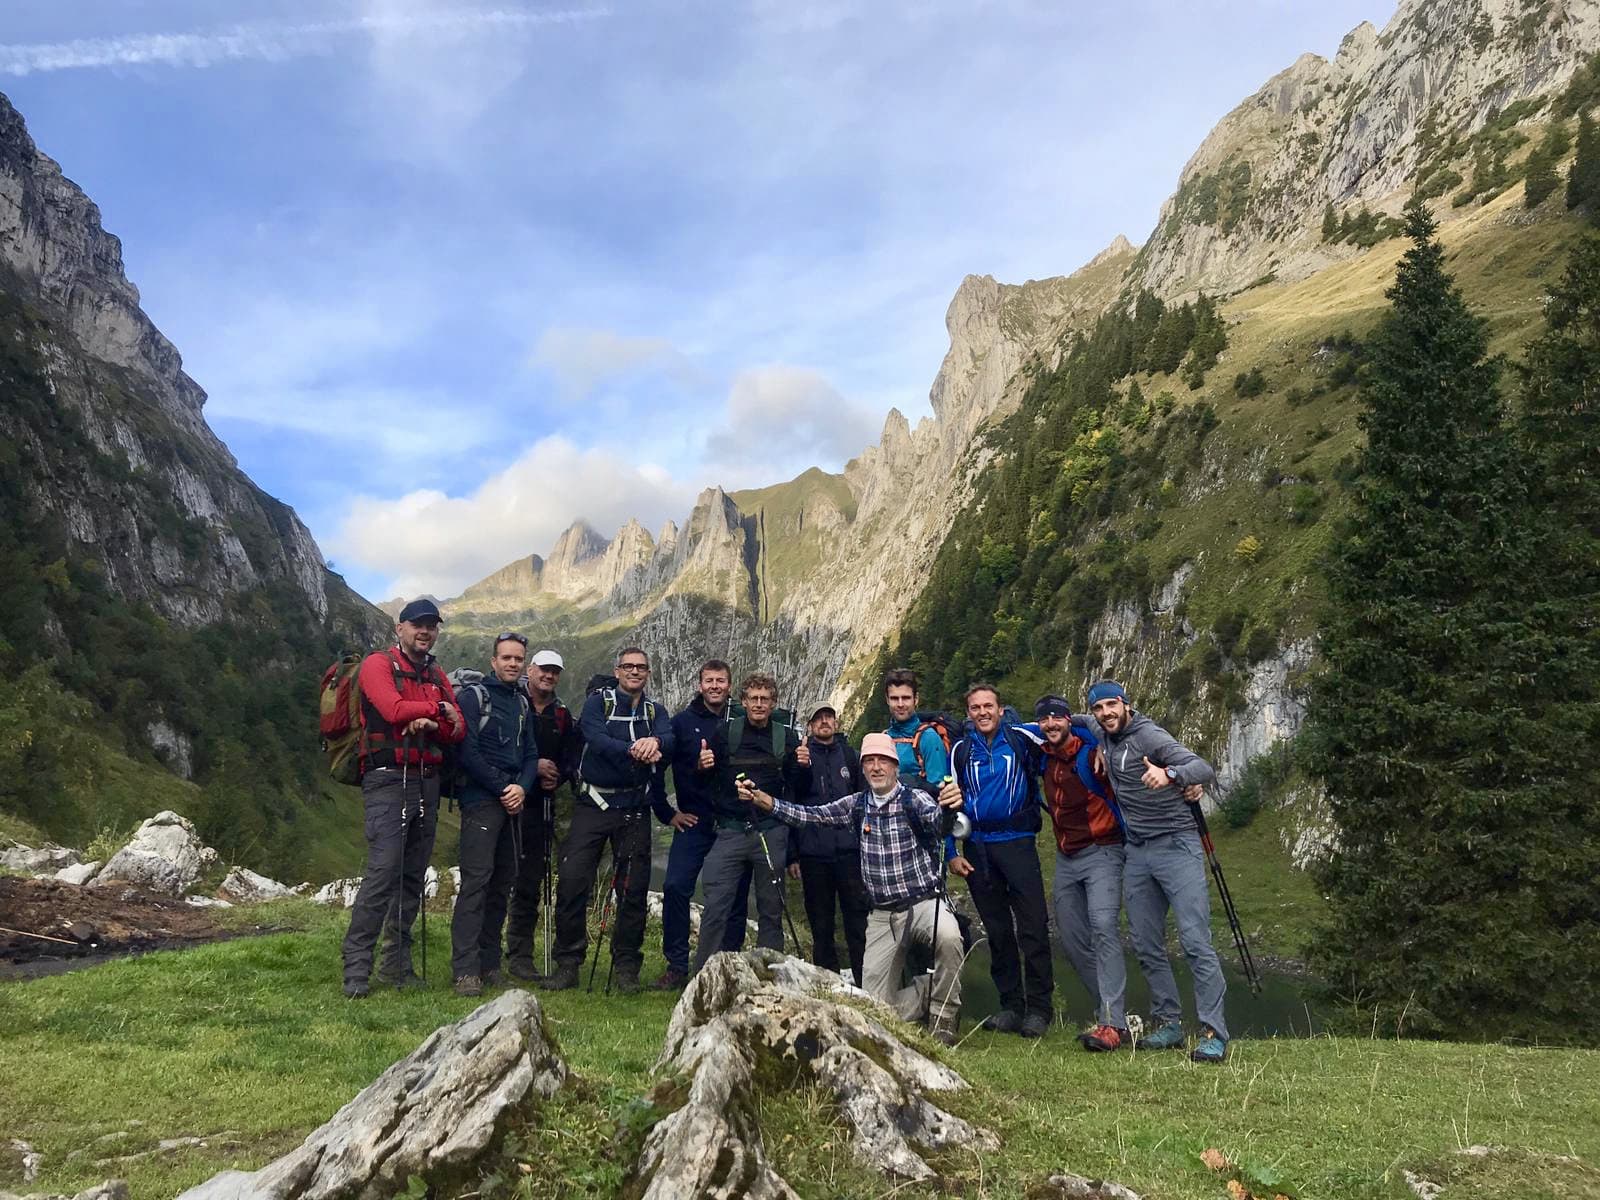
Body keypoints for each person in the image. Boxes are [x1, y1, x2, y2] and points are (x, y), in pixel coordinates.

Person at [744, 732, 967, 1045]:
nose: (876, 768)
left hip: (923, 904)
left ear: (894, 766)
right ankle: (927, 992)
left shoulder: (914, 799)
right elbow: (812, 816)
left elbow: (937, 823)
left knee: (949, 938)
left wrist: (949, 808)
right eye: (870, 762)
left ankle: (943, 1023)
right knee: (871, 1013)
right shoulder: (856, 805)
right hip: (882, 914)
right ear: (863, 768)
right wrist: (765, 801)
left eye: (883, 761)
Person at [1087, 678, 1227, 1063]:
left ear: (1126, 705)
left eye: (1112, 706)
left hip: (1177, 844)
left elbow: (1203, 767)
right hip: (1138, 851)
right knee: (1146, 943)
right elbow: (1073, 720)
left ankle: (1214, 1031)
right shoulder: (1100, 729)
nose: (1105, 714)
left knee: (1195, 940)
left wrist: (1172, 776)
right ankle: (1169, 1023)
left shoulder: (1149, 736)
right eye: (1099, 709)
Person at [340, 598, 464, 998]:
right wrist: (436, 710)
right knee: (383, 870)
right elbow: (393, 710)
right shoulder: (378, 665)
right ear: (401, 627)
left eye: (431, 626)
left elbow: (458, 729)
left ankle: (397, 965)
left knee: (413, 874)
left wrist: (436, 716)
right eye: (417, 625)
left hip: (426, 779)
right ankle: (356, 966)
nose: (425, 631)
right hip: (387, 780)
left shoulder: (436, 673)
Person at [543, 647, 675, 993]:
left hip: (634, 808)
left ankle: (626, 967)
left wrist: (656, 740)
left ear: (648, 673)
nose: (634, 672)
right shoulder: (597, 703)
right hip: (594, 804)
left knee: (632, 890)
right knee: (572, 880)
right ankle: (567, 964)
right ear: (617, 671)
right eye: (628, 666)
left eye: (641, 667)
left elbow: (670, 738)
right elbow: (595, 737)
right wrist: (634, 749)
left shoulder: (654, 711)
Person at [942, 683, 1055, 1038]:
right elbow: (949, 802)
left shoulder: (1022, 738)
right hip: (978, 848)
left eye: (988, 706)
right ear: (969, 713)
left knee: (1033, 926)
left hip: (1018, 843)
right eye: (975, 708)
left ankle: (1039, 1009)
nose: (983, 713)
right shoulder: (960, 749)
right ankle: (1011, 1005)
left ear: (1001, 709)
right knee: (998, 930)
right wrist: (950, 853)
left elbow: (1065, 728)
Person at [691, 672, 811, 974]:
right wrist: (702, 765)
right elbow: (706, 780)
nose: (759, 704)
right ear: (743, 702)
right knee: (716, 906)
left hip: (771, 831)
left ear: (773, 704)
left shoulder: (787, 737)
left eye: (765, 699)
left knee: (771, 909)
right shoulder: (724, 733)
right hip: (730, 830)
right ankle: (703, 978)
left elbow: (797, 788)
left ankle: (768, 976)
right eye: (753, 699)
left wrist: (803, 766)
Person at [1035, 694, 1128, 1051]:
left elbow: (1122, 742)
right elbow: (1009, 725)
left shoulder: (1091, 753)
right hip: (1066, 857)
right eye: (1045, 720)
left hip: (1103, 850)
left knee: (1104, 928)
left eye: (1058, 718)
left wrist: (1098, 741)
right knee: (1073, 939)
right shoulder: (1042, 755)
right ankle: (1110, 1014)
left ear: (1069, 721)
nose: (1051, 725)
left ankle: (1111, 1023)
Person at [449, 632, 539, 997]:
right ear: (493, 661)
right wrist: (504, 788)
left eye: (518, 659)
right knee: (476, 883)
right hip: (481, 802)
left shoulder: (521, 702)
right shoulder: (474, 698)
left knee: (502, 883)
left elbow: (531, 753)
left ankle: (489, 965)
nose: (513, 664)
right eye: (507, 658)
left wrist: (523, 787)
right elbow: (466, 752)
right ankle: (465, 970)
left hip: (512, 802)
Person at [656, 659, 750, 990]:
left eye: (720, 680)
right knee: (676, 886)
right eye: (709, 680)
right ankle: (677, 966)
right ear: (700, 685)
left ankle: (727, 963)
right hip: (694, 820)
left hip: (732, 822)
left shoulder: (742, 719)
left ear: (729, 684)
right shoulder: (682, 722)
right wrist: (668, 814)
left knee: (735, 895)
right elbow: (660, 768)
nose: (714, 686)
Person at [505, 648, 580, 982]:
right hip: (506, 800)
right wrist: (532, 768)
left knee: (530, 880)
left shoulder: (561, 714)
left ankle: (520, 957)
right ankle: (489, 953)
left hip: (541, 806)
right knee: (499, 877)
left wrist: (558, 775)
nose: (549, 676)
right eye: (543, 670)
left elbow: (570, 756)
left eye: (555, 672)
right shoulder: (512, 702)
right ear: (530, 670)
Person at [793, 704, 869, 985]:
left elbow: (863, 803)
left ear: (836, 722)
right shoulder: (800, 758)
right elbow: (793, 803)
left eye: (828, 717)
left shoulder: (850, 756)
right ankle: (828, 984)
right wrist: (792, 855)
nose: (824, 722)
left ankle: (865, 982)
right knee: (821, 924)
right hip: (813, 854)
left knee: (858, 922)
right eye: (818, 718)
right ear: (810, 725)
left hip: (849, 853)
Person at [883, 669, 950, 793]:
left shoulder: (929, 738)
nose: (900, 704)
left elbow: (937, 791)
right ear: (887, 700)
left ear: (916, 699)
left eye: (906, 698)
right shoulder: (884, 738)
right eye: (894, 698)